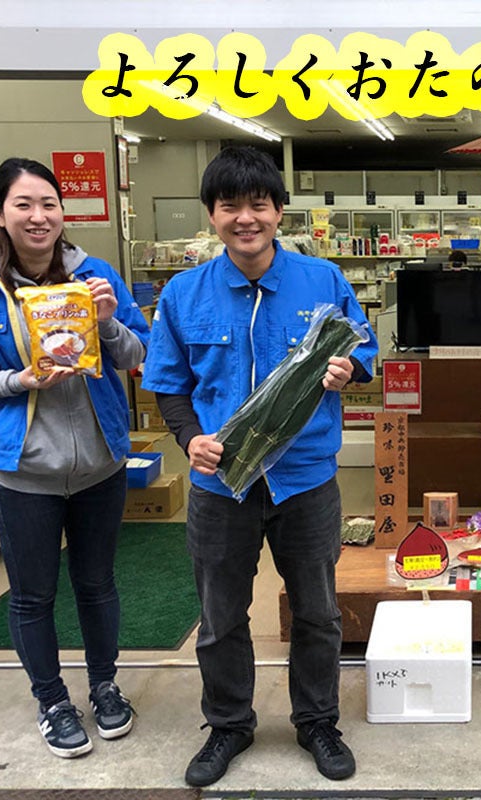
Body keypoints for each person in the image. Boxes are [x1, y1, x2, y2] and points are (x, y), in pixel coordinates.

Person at [141, 146, 379, 786]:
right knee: (220, 617)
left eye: (258, 204)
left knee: (317, 612)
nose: (245, 218)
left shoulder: (322, 280)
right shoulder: (184, 293)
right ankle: (228, 725)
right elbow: (168, 384)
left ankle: (318, 721)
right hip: (221, 484)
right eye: (230, 206)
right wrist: (189, 438)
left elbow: (366, 349)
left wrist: (350, 369)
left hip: (305, 479)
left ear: (278, 211)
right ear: (212, 215)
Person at [0, 157, 150, 758]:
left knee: (98, 584)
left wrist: (107, 323)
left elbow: (139, 354)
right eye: (23, 204)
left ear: (62, 212)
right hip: (25, 471)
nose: (38, 216)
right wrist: (18, 380)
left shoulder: (96, 276)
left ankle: (105, 686)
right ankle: (51, 700)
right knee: (32, 595)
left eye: (48, 204)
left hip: (100, 465)